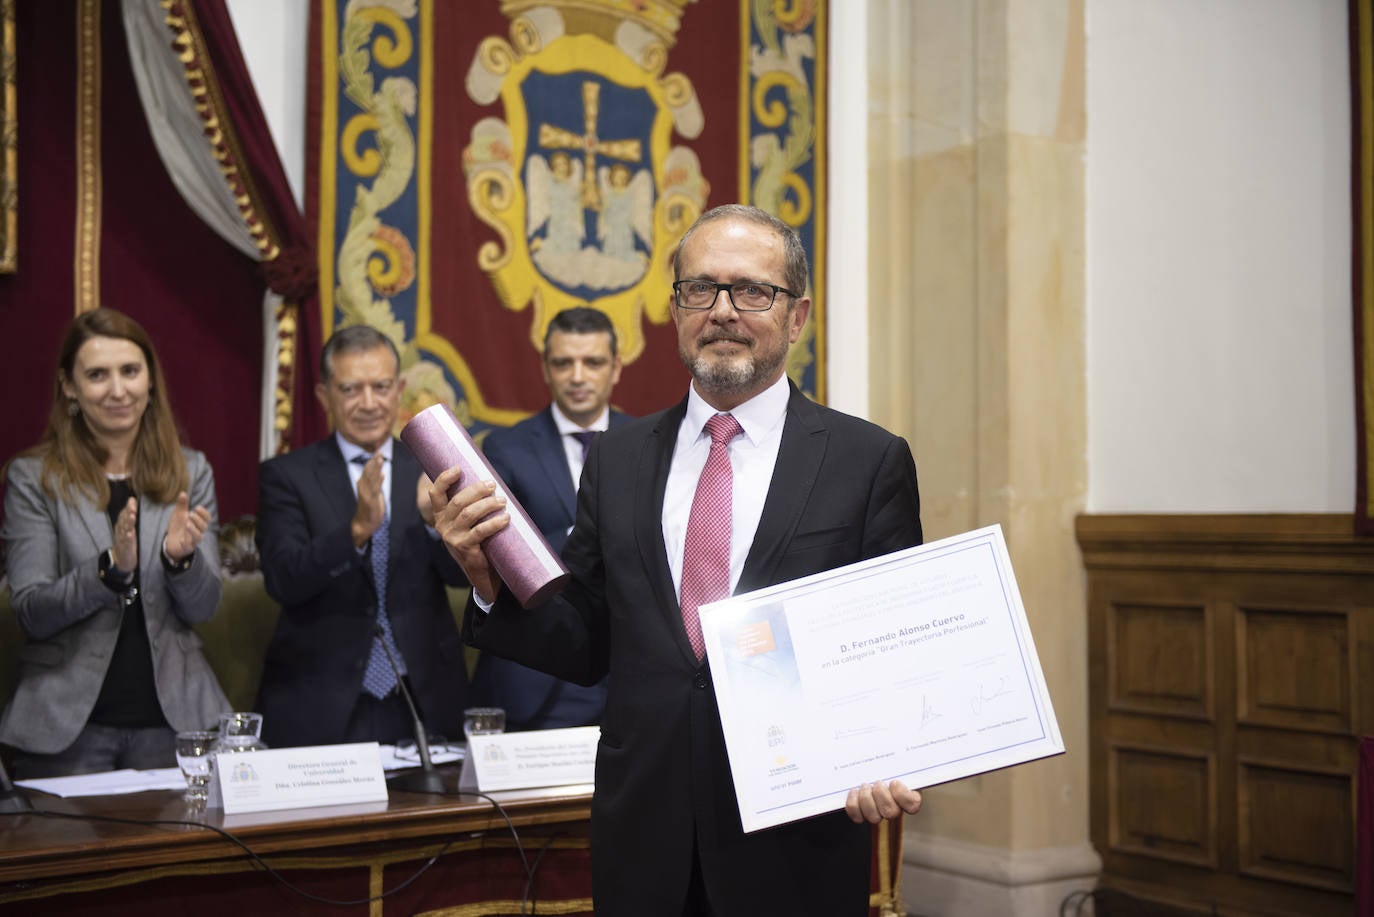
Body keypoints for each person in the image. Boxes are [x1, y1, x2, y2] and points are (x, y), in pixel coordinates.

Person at [429, 205, 924, 916]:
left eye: (752, 290)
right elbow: (588, 637)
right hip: (644, 839)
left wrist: (887, 753)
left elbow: (892, 646)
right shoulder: (619, 459)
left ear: (798, 315)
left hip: (794, 841)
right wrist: (484, 579)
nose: (722, 310)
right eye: (701, 289)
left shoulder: (867, 460)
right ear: (674, 309)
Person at [0, 308, 228, 778]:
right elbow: (31, 613)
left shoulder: (191, 471)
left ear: (150, 380)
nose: (118, 390)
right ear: (69, 387)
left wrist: (178, 561)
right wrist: (109, 569)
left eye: (130, 371)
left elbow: (204, 609)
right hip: (67, 730)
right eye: (97, 375)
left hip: (176, 724)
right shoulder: (33, 478)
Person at [254, 325, 469, 749]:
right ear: (324, 396)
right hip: (320, 702)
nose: (368, 403)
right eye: (351, 389)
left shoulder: (433, 468)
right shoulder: (286, 476)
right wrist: (356, 530)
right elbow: (283, 579)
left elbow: (464, 579)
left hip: (424, 699)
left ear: (399, 389)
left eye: (381, 387)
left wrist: (434, 524)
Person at [473, 306, 631, 731]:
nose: (578, 376)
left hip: (628, 672)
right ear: (546, 369)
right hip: (537, 674)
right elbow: (499, 550)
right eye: (564, 363)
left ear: (615, 368)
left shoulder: (648, 444)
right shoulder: (507, 449)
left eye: (592, 362)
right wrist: (594, 533)